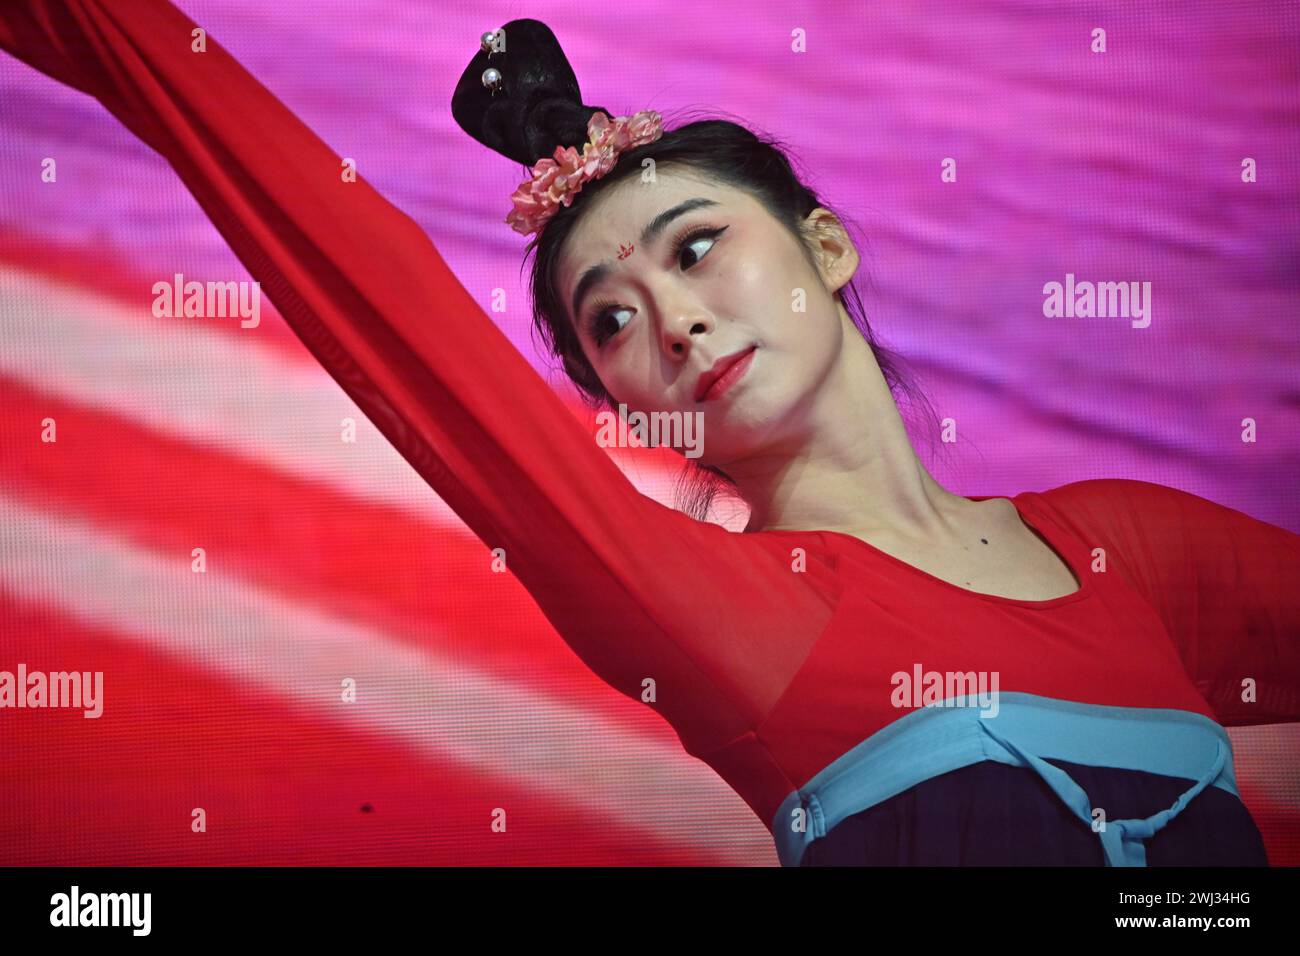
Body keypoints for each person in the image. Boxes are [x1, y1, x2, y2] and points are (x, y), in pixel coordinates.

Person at [2, 4, 1296, 866]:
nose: (673, 318)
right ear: (625, 412)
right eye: (611, 319)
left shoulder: (1128, 552)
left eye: (697, 249)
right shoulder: (717, 618)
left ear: (825, 245)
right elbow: (368, 279)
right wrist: (117, 35)